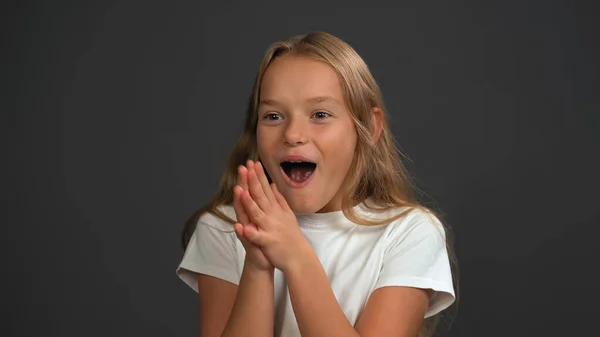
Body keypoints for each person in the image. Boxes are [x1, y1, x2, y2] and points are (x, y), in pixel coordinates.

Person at [177, 31, 458, 337]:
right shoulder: (223, 229)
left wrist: (297, 257)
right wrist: (257, 267)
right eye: (273, 116)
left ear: (370, 127)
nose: (293, 134)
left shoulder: (409, 233)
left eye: (320, 114)